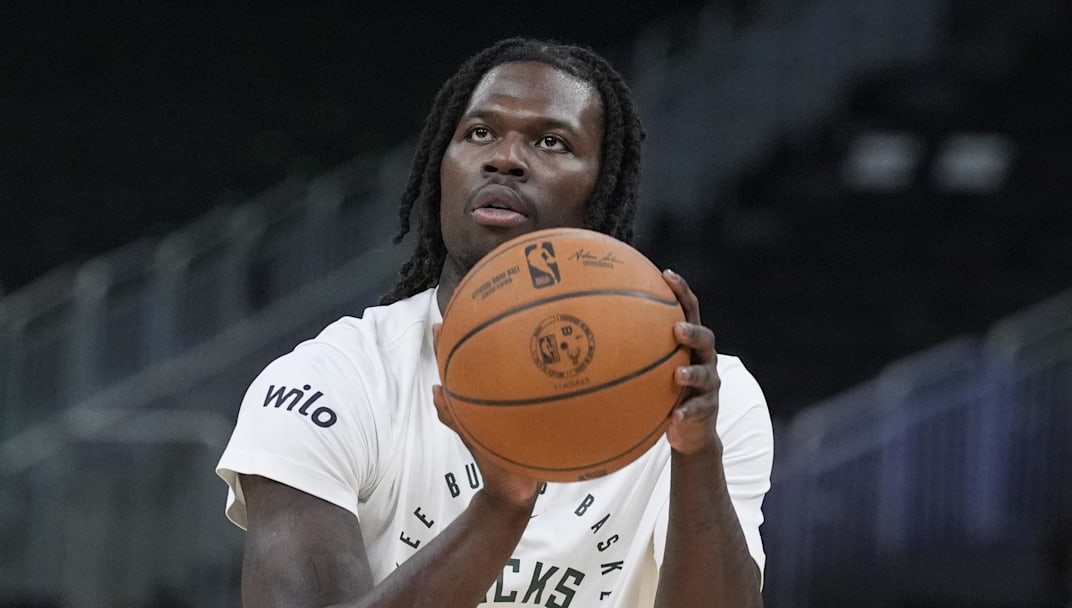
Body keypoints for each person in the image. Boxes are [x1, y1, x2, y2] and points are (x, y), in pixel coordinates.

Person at [216, 37, 774, 608]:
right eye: (479, 132)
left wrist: (695, 456)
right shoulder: (330, 381)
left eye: (552, 142)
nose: (504, 157)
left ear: (600, 194)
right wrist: (501, 504)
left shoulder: (705, 400)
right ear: (442, 168)